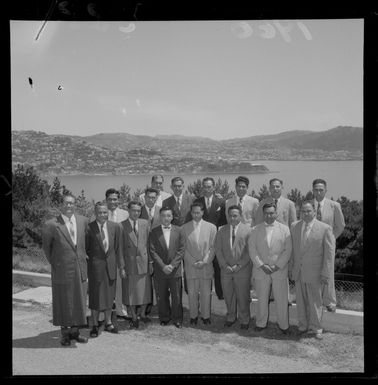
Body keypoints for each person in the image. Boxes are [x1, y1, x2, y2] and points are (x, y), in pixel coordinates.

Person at [42, 194, 89, 346]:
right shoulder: (51, 224)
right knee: (64, 301)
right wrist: (56, 263)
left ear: (75, 205)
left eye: (72, 203)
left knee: (78, 301)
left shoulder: (83, 221)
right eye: (66, 203)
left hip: (79, 268)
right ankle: (65, 334)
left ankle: (75, 332)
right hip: (62, 269)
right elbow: (46, 248)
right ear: (61, 204)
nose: (69, 206)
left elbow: (84, 243)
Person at [289, 201, 335, 340]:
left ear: (315, 212)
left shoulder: (325, 228)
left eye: (309, 211)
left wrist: (325, 273)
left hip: (315, 273)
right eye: (303, 211)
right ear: (300, 212)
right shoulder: (294, 226)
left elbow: (329, 254)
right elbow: (293, 250)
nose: (306, 213)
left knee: (315, 302)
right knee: (301, 302)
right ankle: (302, 326)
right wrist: (291, 268)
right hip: (298, 271)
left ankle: (316, 328)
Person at [248, 202, 292, 334]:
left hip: (279, 270)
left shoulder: (285, 229)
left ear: (276, 213)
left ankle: (284, 326)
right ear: (263, 214)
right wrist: (261, 265)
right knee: (261, 299)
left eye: (272, 212)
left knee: (282, 300)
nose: (269, 215)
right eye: (266, 213)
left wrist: (277, 266)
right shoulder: (254, 229)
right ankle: (261, 323)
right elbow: (252, 249)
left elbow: (287, 250)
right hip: (261, 270)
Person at [86, 201, 122, 337]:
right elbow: (86, 250)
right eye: (100, 212)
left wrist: (121, 266)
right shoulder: (89, 228)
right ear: (95, 213)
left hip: (111, 269)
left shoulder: (115, 227)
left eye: (105, 212)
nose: (102, 215)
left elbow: (118, 249)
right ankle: (94, 324)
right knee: (95, 298)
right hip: (96, 269)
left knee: (109, 298)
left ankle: (108, 323)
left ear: (108, 213)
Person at [215, 205, 252, 330]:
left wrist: (239, 265)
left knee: (243, 296)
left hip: (242, 270)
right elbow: (218, 249)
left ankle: (245, 319)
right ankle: (231, 317)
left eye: (235, 215)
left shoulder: (248, 230)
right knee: (228, 295)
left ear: (240, 216)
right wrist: (224, 265)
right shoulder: (221, 230)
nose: (232, 218)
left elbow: (249, 251)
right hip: (226, 270)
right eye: (230, 215)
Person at [312, 178, 345, 313]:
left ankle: (330, 301)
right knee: (313, 273)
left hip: (328, 246)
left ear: (326, 190)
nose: (318, 192)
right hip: (311, 246)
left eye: (321, 189)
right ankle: (315, 299)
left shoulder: (334, 205)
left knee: (328, 272)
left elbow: (340, 225)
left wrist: (331, 239)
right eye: (316, 189)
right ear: (312, 190)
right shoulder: (308, 205)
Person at [148, 207, 185, 328]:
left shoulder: (179, 230)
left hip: (175, 270)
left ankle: (177, 318)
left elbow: (181, 249)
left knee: (177, 297)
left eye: (169, 215)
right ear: (160, 216)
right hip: (160, 270)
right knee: (162, 296)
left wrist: (173, 265)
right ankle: (164, 317)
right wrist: (163, 266)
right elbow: (152, 251)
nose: (166, 218)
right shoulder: (154, 232)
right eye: (163, 215)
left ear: (172, 217)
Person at [181, 202, 217, 325]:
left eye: (198, 212)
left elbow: (213, 247)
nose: (196, 215)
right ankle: (193, 316)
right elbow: (183, 248)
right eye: (193, 212)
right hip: (191, 266)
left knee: (206, 293)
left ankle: (206, 316)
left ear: (202, 212)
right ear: (191, 213)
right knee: (192, 293)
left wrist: (205, 261)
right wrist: (192, 261)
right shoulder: (184, 228)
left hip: (206, 266)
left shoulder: (212, 227)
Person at [119, 201, 153, 329]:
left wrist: (150, 262)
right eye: (134, 210)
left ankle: (143, 314)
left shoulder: (144, 223)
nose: (136, 213)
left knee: (145, 292)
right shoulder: (121, 226)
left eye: (138, 211)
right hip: (130, 264)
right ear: (128, 210)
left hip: (144, 263)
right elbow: (120, 249)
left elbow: (148, 244)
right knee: (131, 293)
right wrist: (122, 267)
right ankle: (134, 317)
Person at [194, 177, 227, 300]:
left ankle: (220, 293)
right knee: (205, 268)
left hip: (217, 240)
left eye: (209, 186)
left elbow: (224, 221)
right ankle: (205, 293)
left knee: (218, 267)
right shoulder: (197, 202)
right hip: (202, 241)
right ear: (202, 187)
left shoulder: (221, 202)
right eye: (205, 186)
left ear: (213, 187)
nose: (207, 189)